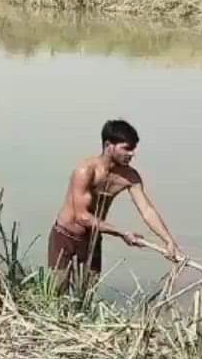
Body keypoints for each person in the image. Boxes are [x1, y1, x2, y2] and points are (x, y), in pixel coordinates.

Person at [49, 119, 183, 293]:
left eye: (133, 149)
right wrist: (122, 233)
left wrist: (168, 241)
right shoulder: (86, 171)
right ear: (108, 146)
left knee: (87, 293)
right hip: (66, 237)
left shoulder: (130, 177)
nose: (132, 154)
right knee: (58, 292)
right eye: (126, 148)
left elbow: (147, 210)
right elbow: (81, 217)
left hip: (92, 240)